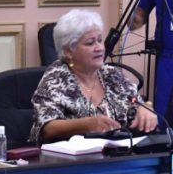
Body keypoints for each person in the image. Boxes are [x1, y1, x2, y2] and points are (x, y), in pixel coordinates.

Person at [29, 9, 157, 144]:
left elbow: (137, 103)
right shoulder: (56, 78)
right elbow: (47, 128)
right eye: (90, 43)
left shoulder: (111, 74)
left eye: (100, 41)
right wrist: (86, 125)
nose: (99, 48)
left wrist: (146, 108)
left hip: (118, 152)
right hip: (72, 155)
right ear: (68, 51)